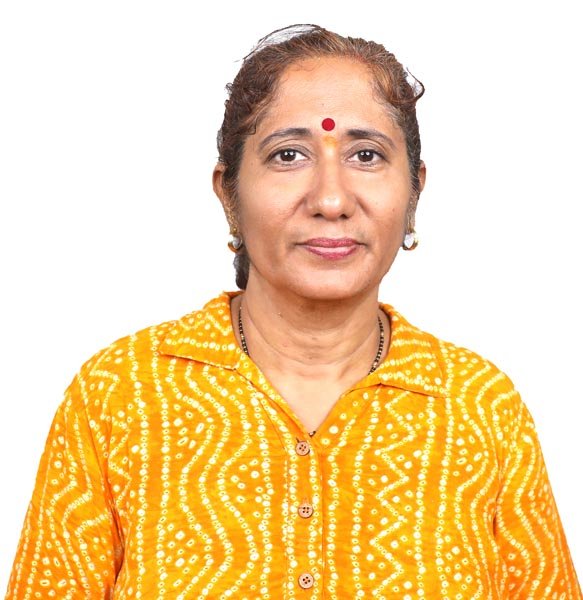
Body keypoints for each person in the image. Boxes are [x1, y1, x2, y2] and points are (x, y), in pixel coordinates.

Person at [6, 23, 581, 599]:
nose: (331, 200)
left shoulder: (480, 409)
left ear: (414, 193)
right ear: (229, 193)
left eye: (366, 155)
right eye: (288, 155)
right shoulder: (120, 395)